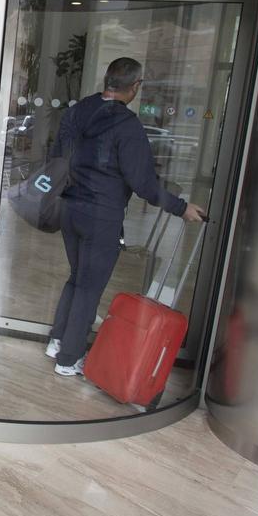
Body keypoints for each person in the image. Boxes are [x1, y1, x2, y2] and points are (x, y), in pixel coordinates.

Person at [45, 57, 206, 376]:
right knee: (89, 286)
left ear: (107, 81)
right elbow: (143, 182)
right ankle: (68, 360)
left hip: (69, 207)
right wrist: (181, 207)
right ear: (135, 87)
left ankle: (58, 341)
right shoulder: (127, 126)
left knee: (78, 277)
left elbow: (57, 156)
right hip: (101, 215)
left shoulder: (78, 110)